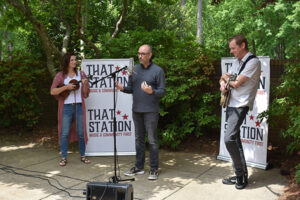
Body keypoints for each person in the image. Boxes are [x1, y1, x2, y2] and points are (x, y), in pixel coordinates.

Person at [116, 44, 166, 180]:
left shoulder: (158, 71)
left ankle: (154, 169)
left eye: (143, 54)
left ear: (150, 55)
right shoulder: (135, 70)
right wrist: (122, 88)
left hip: (151, 111)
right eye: (139, 53)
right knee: (138, 140)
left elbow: (162, 92)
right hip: (136, 110)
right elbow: (131, 88)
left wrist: (152, 91)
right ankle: (139, 167)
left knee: (152, 140)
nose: (140, 56)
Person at [219, 35, 261, 189]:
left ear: (243, 45)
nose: (231, 51)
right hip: (231, 103)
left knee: (229, 138)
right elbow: (224, 79)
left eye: (233, 48)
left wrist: (226, 80)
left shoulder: (253, 62)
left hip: (241, 105)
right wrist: (223, 81)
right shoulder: (237, 62)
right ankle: (240, 175)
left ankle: (240, 174)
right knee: (234, 139)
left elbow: (235, 83)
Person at [50, 53, 91, 166]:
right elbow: (53, 91)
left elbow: (86, 93)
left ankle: (83, 155)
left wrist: (85, 84)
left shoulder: (81, 74)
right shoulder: (60, 75)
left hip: (78, 106)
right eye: (72, 60)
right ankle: (63, 157)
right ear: (67, 62)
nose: (74, 62)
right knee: (64, 133)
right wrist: (66, 87)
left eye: (75, 60)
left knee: (81, 132)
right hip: (66, 107)